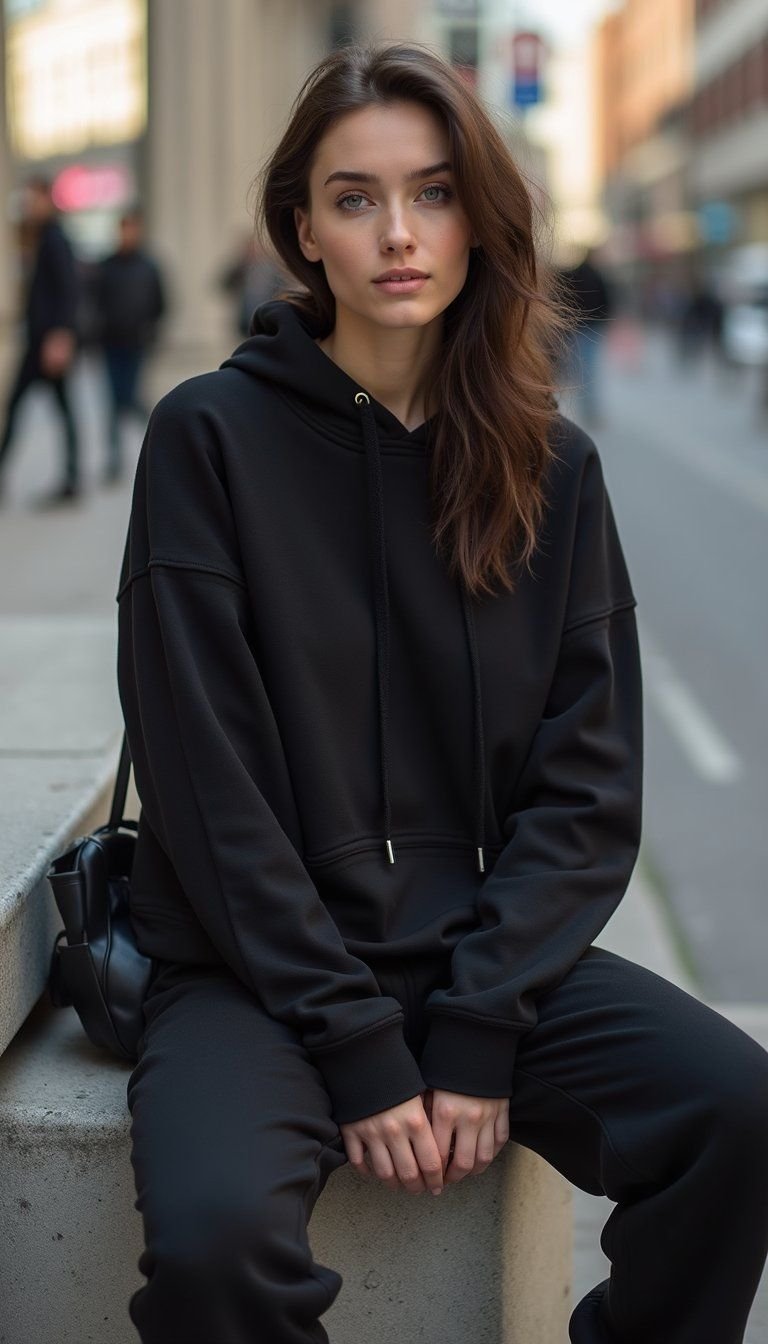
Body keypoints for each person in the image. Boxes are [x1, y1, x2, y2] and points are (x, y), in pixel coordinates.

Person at [115, 41, 768, 1344]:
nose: (397, 233)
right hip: (249, 975)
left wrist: (475, 1027)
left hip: (478, 957)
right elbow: (210, 788)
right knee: (213, 1243)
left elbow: (586, 787)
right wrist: (357, 1044)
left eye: (431, 192)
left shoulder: (549, 468)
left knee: (734, 1113)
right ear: (303, 231)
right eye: (354, 199)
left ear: (480, 216)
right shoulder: (209, 440)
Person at [0, 176, 82, 505]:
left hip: (47, 343)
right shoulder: (41, 237)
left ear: (47, 199)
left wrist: (61, 336)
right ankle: (71, 478)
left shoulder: (55, 239)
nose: (28, 206)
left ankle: (72, 479)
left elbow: (67, 290)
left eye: (33, 199)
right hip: (40, 340)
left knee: (36, 408)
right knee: (41, 408)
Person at [92, 207, 167, 483]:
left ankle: (157, 442)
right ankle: (114, 459)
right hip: (111, 343)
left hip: (137, 343)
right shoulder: (107, 266)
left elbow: (161, 303)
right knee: (113, 402)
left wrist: (151, 330)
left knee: (131, 397)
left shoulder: (148, 266)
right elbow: (94, 301)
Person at [557, 246, 614, 429]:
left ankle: (584, 410)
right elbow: (607, 301)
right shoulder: (597, 276)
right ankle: (590, 411)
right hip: (592, 328)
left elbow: (564, 300)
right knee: (588, 371)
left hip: (577, 329)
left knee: (581, 370)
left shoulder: (575, 274)